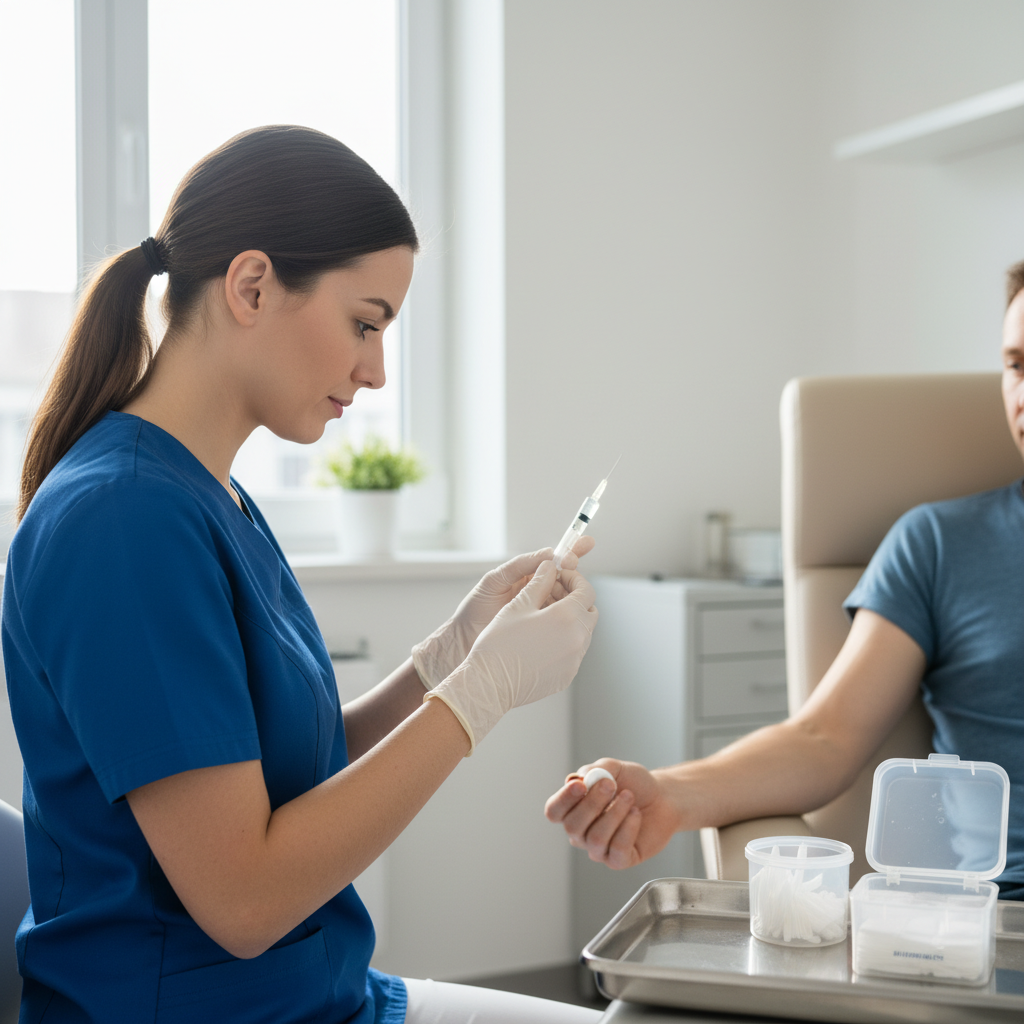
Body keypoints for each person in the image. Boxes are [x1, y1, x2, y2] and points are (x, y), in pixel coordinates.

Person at [2, 126, 603, 1024]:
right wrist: (478, 698)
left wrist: (452, 652)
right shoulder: (123, 521)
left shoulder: (209, 497)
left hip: (319, 998)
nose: (377, 369)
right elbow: (244, 901)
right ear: (251, 286)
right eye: (365, 323)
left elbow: (280, 774)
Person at [546, 260, 1024, 901]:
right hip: (1000, 928)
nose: (1021, 391)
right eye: (1016, 364)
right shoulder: (940, 545)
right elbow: (824, 740)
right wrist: (668, 795)